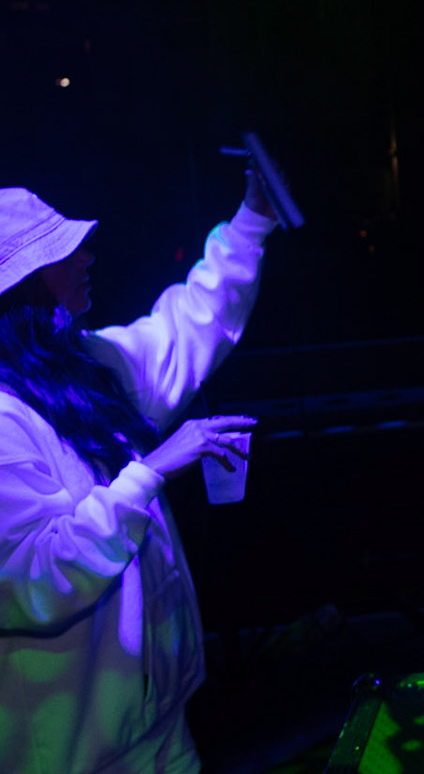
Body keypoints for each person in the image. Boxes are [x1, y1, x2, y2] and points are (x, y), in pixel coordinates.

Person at [0, 175, 277, 774]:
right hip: (74, 758)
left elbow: (187, 328)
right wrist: (149, 472)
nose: (87, 258)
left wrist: (252, 218)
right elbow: (32, 581)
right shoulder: (4, 419)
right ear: (23, 284)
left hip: (161, 730)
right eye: (64, 254)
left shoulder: (84, 368)